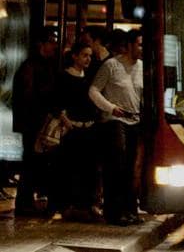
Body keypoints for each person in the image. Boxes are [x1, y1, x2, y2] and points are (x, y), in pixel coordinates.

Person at [88, 29, 143, 226]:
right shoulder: (111, 65)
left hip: (135, 121)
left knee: (130, 167)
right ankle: (114, 211)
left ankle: (130, 210)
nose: (141, 48)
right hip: (114, 121)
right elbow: (93, 91)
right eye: (139, 44)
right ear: (129, 46)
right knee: (117, 164)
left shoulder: (142, 68)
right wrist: (111, 108)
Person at [12, 26, 59, 216]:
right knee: (32, 162)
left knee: (33, 162)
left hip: (34, 122)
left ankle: (27, 202)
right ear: (41, 44)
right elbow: (28, 96)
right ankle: (25, 203)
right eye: (51, 41)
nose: (54, 45)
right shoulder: (33, 67)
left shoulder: (36, 65)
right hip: (35, 123)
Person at [52, 42, 100, 221]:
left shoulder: (89, 77)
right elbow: (56, 102)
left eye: (89, 56)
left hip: (88, 128)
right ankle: (68, 205)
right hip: (71, 128)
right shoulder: (63, 77)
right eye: (84, 55)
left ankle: (86, 205)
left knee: (88, 168)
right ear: (75, 56)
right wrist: (66, 121)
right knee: (69, 168)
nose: (88, 59)